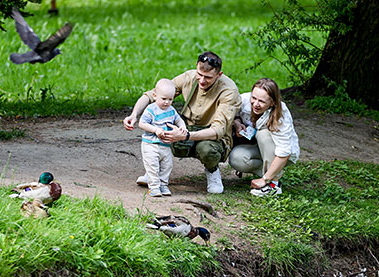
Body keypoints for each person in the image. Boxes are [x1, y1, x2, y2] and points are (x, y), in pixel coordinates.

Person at [123, 51, 241, 193]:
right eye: (200, 74)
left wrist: (185, 136)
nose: (202, 80)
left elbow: (218, 131)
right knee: (159, 130)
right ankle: (154, 172)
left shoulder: (229, 90)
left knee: (207, 150)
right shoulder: (189, 77)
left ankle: (212, 170)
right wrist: (134, 114)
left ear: (219, 75)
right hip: (187, 125)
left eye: (208, 77)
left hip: (212, 134)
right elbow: (153, 94)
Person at [229, 78, 299, 196]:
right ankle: (271, 172)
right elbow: (232, 114)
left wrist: (264, 179)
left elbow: (284, 152)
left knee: (263, 134)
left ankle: (272, 185)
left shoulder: (281, 115)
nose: (256, 104)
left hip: (280, 153)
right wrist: (237, 123)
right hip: (258, 147)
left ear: (272, 102)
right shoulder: (244, 100)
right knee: (236, 158)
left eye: (261, 101)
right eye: (254, 98)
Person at [138, 79, 186, 197]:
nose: (167, 102)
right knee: (153, 166)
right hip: (151, 144)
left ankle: (163, 185)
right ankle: (154, 187)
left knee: (167, 165)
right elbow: (142, 123)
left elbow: (178, 119)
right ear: (155, 96)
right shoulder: (151, 109)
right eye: (164, 99)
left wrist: (182, 127)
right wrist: (156, 130)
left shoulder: (171, 110)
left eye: (170, 99)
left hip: (165, 145)